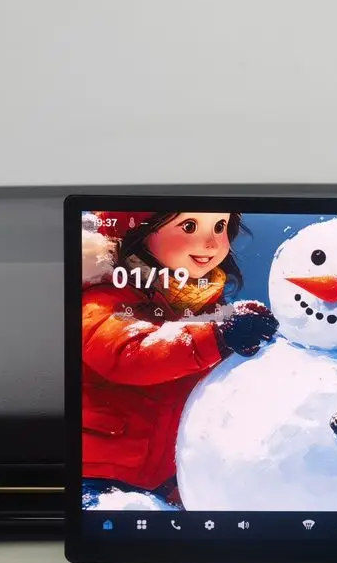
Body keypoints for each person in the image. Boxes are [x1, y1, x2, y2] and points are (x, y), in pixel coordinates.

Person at [81, 211, 278, 508]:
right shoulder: (101, 298)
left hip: (169, 482)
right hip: (101, 474)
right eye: (189, 226)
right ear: (140, 232)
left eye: (220, 227)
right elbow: (129, 353)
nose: (211, 243)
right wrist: (217, 334)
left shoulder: (204, 306)